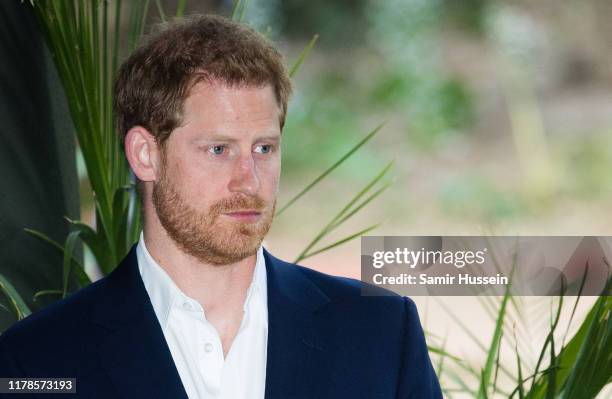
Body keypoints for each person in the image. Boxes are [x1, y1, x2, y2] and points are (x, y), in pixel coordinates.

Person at [0, 14, 442, 399]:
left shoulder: (380, 333)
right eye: (218, 150)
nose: (249, 180)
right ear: (145, 155)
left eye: (264, 148)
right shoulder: (37, 360)